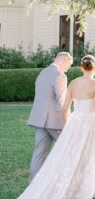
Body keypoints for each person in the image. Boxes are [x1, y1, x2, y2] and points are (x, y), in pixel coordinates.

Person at [0, 55, 95, 199]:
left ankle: (41, 184)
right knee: (88, 153)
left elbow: (65, 108)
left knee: (60, 154)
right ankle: (82, 188)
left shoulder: (70, 82)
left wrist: (68, 127)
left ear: (81, 67)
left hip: (72, 122)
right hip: (88, 123)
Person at [28, 51, 73, 181]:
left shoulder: (42, 73)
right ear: (63, 60)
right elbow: (62, 100)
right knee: (69, 148)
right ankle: (64, 181)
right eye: (68, 65)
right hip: (54, 121)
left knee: (39, 153)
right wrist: (68, 119)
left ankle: (34, 184)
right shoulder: (60, 75)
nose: (67, 69)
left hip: (40, 119)